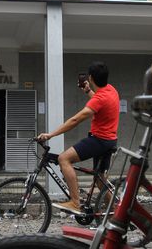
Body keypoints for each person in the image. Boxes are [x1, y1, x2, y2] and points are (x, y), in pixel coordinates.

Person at [37, 61, 119, 214]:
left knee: (63, 159)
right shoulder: (111, 90)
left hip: (99, 140)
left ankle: (75, 202)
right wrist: (88, 91)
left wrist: (50, 134)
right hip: (109, 140)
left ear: (91, 78)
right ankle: (117, 212)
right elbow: (101, 103)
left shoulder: (99, 99)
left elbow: (75, 120)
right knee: (100, 180)